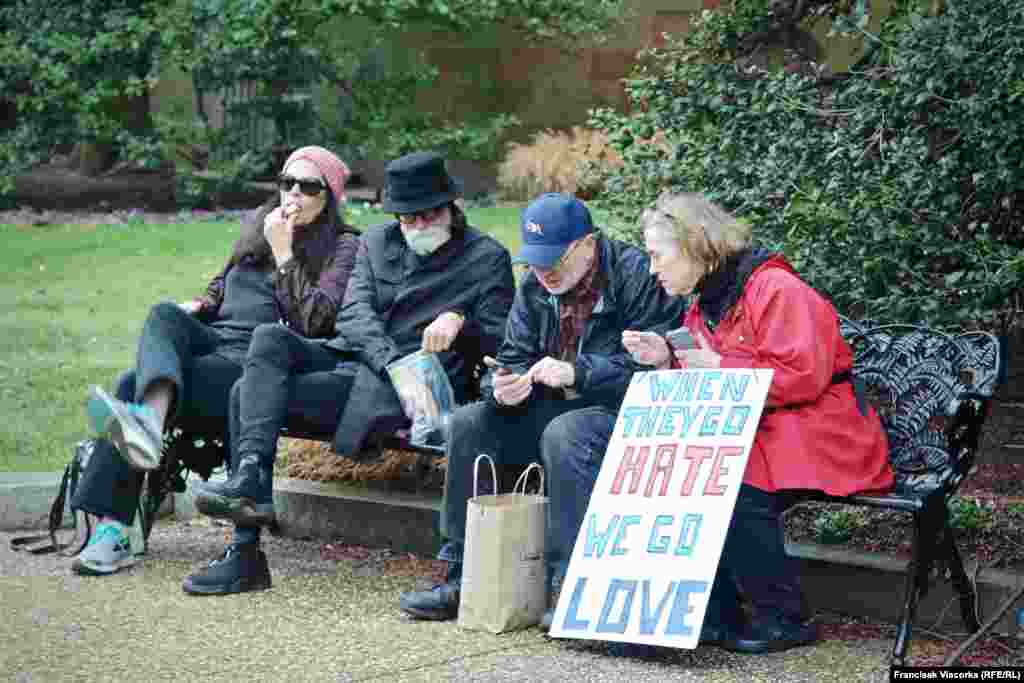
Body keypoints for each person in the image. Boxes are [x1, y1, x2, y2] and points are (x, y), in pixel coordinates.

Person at [184, 151, 516, 595]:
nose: (415, 226)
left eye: (425, 215)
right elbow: (354, 316)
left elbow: (500, 340)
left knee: (245, 391)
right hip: (362, 361)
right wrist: (389, 361)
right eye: (405, 218)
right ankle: (249, 487)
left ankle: (245, 551)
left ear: (450, 208)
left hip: (404, 391)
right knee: (268, 339)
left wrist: (462, 320)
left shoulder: (485, 257)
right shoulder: (377, 241)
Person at [620, 191, 894, 653]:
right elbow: (713, 374)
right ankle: (716, 614)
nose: (652, 269)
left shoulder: (777, 289)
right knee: (698, 467)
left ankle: (782, 618)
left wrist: (716, 369)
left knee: (729, 476)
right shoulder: (706, 299)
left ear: (693, 244)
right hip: (771, 429)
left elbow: (804, 377)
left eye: (656, 255)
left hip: (823, 432)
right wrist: (668, 359)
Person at [398, 192, 686, 624]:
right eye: (534, 260)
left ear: (588, 244)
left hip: (621, 412)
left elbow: (657, 368)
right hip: (553, 408)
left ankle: (572, 584)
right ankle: (465, 572)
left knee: (566, 432)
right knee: (472, 420)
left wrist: (579, 372)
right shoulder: (536, 284)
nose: (543, 271)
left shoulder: (635, 276)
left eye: (554, 259)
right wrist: (501, 386)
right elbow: (511, 358)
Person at [72, 146, 360, 577]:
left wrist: (285, 255)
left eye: (309, 187)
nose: (294, 195)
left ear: (330, 197)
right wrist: (204, 303)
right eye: (287, 183)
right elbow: (225, 281)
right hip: (214, 337)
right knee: (163, 313)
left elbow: (316, 323)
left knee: (132, 383)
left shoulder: (343, 246)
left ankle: (113, 529)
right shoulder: (258, 225)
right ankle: (149, 425)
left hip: (259, 359)